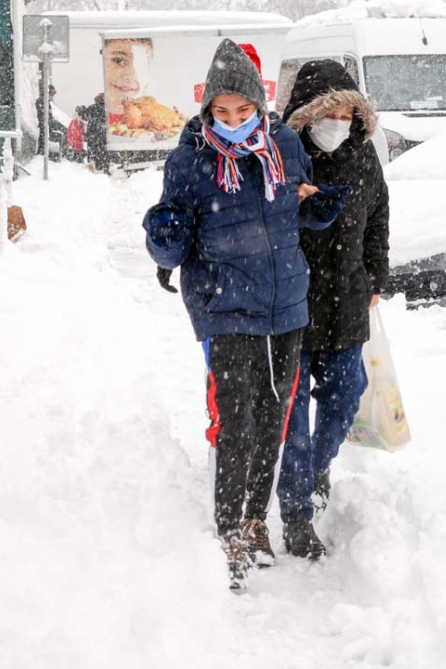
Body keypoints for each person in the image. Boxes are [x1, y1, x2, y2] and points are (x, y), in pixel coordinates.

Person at [143, 40, 348, 592]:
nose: (233, 123)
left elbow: (295, 210)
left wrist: (319, 207)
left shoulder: (283, 145)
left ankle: (256, 518)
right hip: (226, 304)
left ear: (259, 106)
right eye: (222, 113)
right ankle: (229, 529)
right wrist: (164, 236)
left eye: (242, 111)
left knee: (273, 418)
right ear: (208, 111)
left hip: (286, 306)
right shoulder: (190, 159)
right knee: (238, 423)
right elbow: (172, 235)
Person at [277, 59, 390, 559]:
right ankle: (297, 516)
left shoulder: (364, 157)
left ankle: (319, 467)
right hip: (293, 310)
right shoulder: (283, 157)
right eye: (330, 113)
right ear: (305, 113)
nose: (338, 124)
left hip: (346, 305)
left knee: (346, 398)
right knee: (294, 422)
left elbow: (379, 217)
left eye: (347, 114)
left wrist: (375, 275)